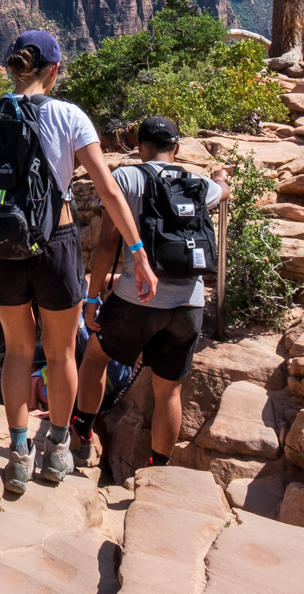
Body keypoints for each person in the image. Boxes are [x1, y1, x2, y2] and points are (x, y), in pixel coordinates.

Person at [0, 30, 157, 494]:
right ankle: (56, 448)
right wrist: (138, 253)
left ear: (13, 67)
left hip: (1, 247)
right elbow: (109, 190)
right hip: (55, 244)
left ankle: (18, 453)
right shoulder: (69, 116)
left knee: (18, 351)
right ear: (54, 70)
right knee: (59, 353)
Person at [70, 116, 230, 470]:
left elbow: (107, 243)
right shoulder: (197, 183)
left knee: (95, 357)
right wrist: (221, 178)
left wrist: (93, 299)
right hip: (189, 302)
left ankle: (82, 437)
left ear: (139, 147)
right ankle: (159, 469)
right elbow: (223, 191)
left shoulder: (127, 178)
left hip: (137, 297)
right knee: (168, 391)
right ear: (177, 148)